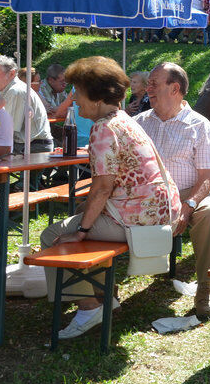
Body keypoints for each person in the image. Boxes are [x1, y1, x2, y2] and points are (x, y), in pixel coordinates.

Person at [39, 57, 181, 339]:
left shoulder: (103, 128)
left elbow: (102, 188)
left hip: (137, 221)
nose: (75, 101)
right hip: (161, 214)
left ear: (96, 94)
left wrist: (81, 231)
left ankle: (89, 307)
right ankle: (104, 297)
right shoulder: (125, 120)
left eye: (78, 93)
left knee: (52, 235)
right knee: (85, 217)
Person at [134, 63, 210, 320]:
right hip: (147, 195)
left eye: (154, 83)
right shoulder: (138, 123)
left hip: (189, 192)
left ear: (175, 89)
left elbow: (208, 177)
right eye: (148, 84)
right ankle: (103, 292)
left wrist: (189, 205)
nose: (147, 88)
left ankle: (204, 290)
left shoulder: (199, 125)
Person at [0, 55, 53, 154]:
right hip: (30, 145)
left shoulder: (15, 91)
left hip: (35, 148)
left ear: (12, 73)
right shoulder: (6, 90)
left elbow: (8, 130)